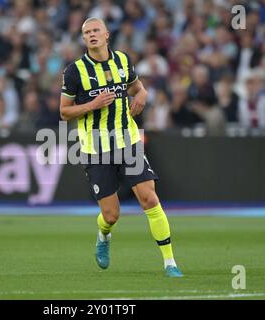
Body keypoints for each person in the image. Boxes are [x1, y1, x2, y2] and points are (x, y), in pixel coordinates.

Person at [59, 18, 183, 277]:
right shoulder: (74, 71)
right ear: (84, 39)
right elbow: (64, 112)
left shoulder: (123, 61)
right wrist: (92, 105)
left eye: (95, 31)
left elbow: (138, 88)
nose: (91, 35)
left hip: (128, 142)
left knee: (149, 198)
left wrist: (143, 95)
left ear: (106, 35)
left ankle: (170, 262)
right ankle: (103, 236)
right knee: (111, 214)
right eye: (86, 33)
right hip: (96, 148)